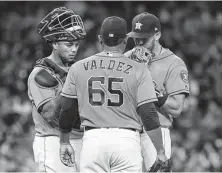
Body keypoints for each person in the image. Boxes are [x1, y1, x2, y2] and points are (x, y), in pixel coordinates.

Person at [58, 16, 167, 172]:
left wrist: (64, 142)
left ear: (100, 39)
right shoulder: (139, 69)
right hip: (126, 142)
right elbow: (148, 113)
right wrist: (160, 151)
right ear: (125, 40)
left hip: (93, 141)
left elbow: (67, 109)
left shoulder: (78, 67)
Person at [125, 12, 190, 171]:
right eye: (136, 38)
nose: (139, 42)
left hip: (155, 133)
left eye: (144, 38)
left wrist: (149, 88)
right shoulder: (126, 58)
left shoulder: (174, 63)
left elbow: (176, 108)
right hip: (126, 131)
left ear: (157, 35)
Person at [27, 7, 86, 172]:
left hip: (81, 140)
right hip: (53, 142)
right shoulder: (40, 74)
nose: (74, 49)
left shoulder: (75, 69)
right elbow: (50, 115)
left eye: (76, 44)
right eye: (69, 44)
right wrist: (71, 85)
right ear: (54, 43)